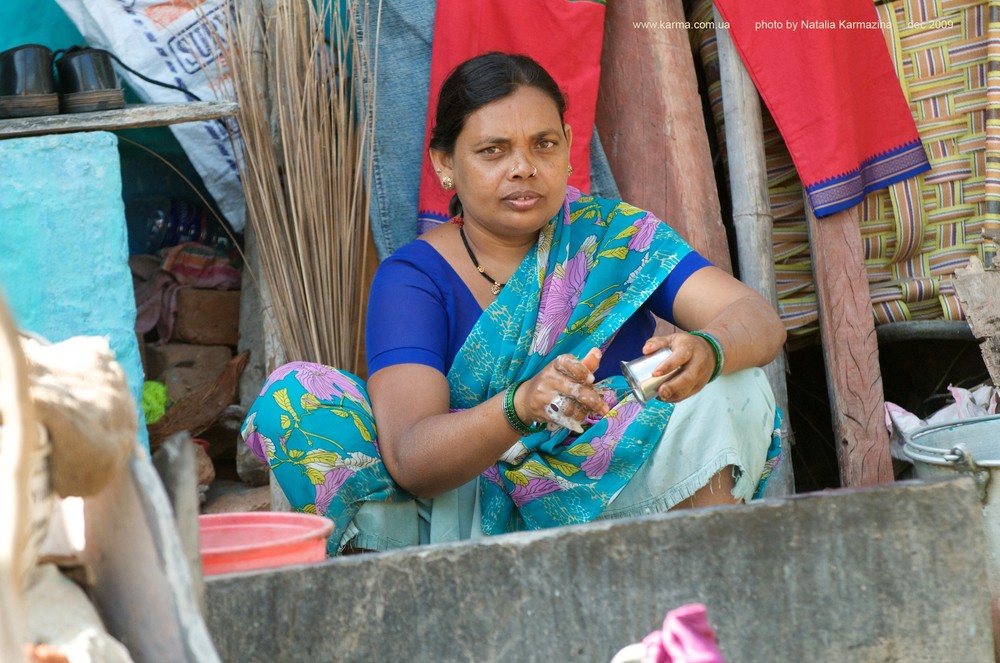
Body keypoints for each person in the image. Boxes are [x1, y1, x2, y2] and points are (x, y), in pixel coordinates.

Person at [242, 52, 787, 554]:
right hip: (463, 520)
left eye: (544, 144)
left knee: (732, 380)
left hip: (618, 488)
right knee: (297, 396)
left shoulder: (614, 237)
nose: (524, 167)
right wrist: (519, 405)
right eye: (492, 150)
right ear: (444, 165)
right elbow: (411, 456)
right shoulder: (412, 278)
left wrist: (709, 350)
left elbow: (756, 319)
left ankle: (700, 593)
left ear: (569, 147)